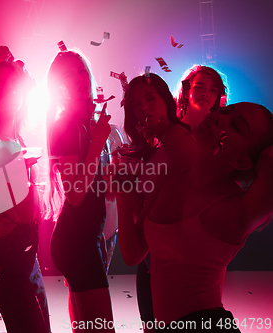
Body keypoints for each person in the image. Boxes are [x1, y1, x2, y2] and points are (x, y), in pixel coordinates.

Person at [117, 102, 273, 331]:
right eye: (225, 111)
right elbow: (133, 254)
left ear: (241, 161)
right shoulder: (170, 178)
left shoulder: (238, 209)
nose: (220, 118)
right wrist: (123, 193)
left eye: (237, 126)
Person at [0, 45, 51, 333]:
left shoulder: (14, 136)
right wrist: (23, 172)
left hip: (26, 257)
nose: (8, 91)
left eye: (12, 85)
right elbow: (24, 213)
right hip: (3, 263)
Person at [117, 73, 196, 332]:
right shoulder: (156, 146)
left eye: (150, 99)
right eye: (136, 105)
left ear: (167, 101)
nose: (144, 108)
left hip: (172, 264)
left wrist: (125, 190)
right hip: (152, 259)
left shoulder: (176, 137)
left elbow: (193, 198)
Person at [43, 49, 114, 332]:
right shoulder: (66, 126)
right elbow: (75, 195)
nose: (78, 79)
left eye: (82, 71)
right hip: (76, 243)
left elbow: (96, 190)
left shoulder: (86, 123)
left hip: (85, 238)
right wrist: (98, 144)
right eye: (68, 75)